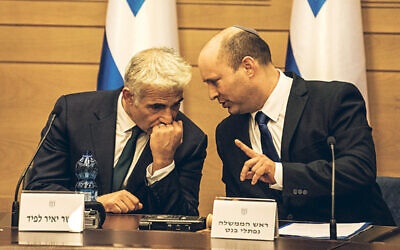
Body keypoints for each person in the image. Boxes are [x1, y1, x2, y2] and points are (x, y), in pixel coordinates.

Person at [197, 25, 394, 225]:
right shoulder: (228, 132)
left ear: (248, 67)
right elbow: (243, 206)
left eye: (215, 82)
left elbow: (359, 170)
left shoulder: (334, 100)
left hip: (355, 240)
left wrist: (279, 173)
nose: (211, 94)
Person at [26, 47, 208, 216]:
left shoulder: (191, 140)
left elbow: (185, 218)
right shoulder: (72, 113)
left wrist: (163, 163)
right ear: (128, 96)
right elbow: (39, 190)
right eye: (156, 107)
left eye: (175, 105)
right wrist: (94, 203)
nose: (168, 118)